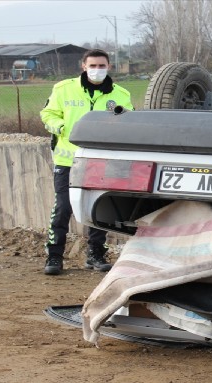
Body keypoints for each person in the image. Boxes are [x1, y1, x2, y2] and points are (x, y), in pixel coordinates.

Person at [40, 49, 134, 275]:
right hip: (68, 159)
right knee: (63, 207)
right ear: (83, 66)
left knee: (98, 208)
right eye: (93, 65)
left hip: (101, 160)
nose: (97, 70)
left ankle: (96, 254)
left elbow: (129, 120)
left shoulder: (120, 94)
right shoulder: (63, 89)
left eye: (102, 66)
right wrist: (61, 128)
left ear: (108, 67)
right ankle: (54, 257)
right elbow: (48, 114)